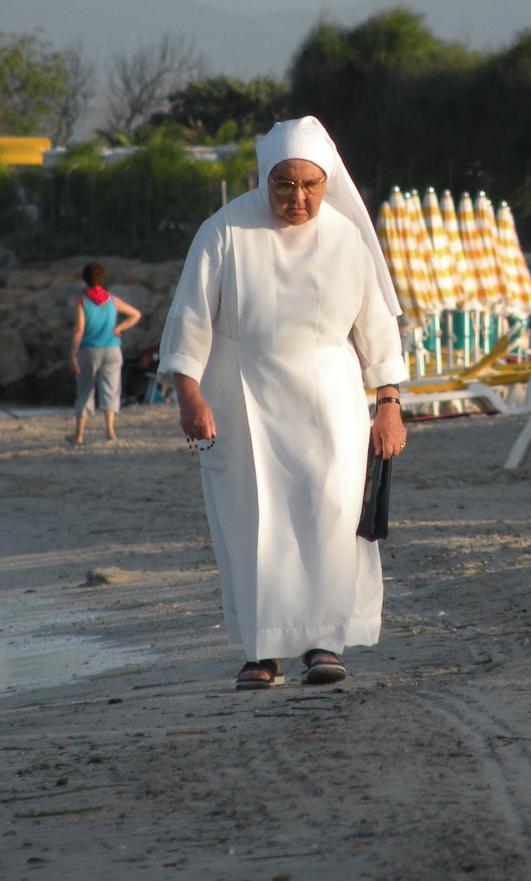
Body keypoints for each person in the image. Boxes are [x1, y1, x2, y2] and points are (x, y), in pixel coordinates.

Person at [159, 116, 407, 690]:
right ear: (264, 178)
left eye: (310, 185)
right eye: (284, 185)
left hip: (331, 397)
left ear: (327, 181)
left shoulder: (348, 237)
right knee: (251, 519)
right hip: (240, 393)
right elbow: (191, 316)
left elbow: (377, 327)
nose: (298, 198)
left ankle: (325, 643)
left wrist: (389, 401)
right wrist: (188, 392)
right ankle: (260, 653)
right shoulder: (224, 230)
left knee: (329, 512)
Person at [68, 262, 142, 445]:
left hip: (89, 349)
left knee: (85, 389)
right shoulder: (112, 299)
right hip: (112, 349)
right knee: (111, 389)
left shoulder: (83, 300)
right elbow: (135, 314)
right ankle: (109, 430)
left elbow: (79, 329)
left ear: (85, 279)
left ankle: (78, 434)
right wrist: (119, 327)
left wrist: (72, 354)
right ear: (102, 278)